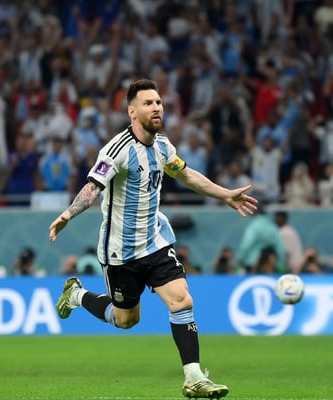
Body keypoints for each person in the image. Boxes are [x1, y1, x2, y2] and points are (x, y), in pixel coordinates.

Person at [49, 79, 257, 399]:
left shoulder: (163, 147)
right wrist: (68, 214)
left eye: (158, 102)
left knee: (182, 300)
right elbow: (92, 187)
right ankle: (76, 295)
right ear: (132, 112)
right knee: (125, 320)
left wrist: (224, 194)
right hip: (120, 252)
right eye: (148, 103)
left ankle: (194, 377)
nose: (156, 107)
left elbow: (186, 175)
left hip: (155, 242)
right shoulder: (116, 150)